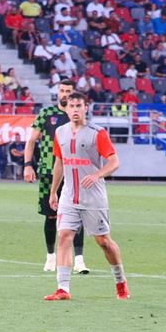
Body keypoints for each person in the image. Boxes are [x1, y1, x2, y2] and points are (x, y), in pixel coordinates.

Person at [44, 93, 128, 301]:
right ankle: (63, 289)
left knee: (103, 242)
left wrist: (97, 174)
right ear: (66, 108)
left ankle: (120, 281)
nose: (74, 109)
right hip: (68, 196)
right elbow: (59, 163)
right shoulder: (60, 132)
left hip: (93, 198)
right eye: (71, 106)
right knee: (64, 236)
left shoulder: (97, 133)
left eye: (78, 106)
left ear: (85, 108)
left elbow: (114, 161)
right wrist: (54, 191)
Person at [23, 80, 87, 273]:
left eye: (68, 91)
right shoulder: (47, 114)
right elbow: (32, 140)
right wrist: (28, 166)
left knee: (77, 215)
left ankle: (79, 260)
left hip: (73, 172)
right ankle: (51, 257)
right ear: (57, 92)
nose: (65, 94)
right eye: (62, 90)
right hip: (48, 171)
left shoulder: (77, 116)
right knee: (50, 215)